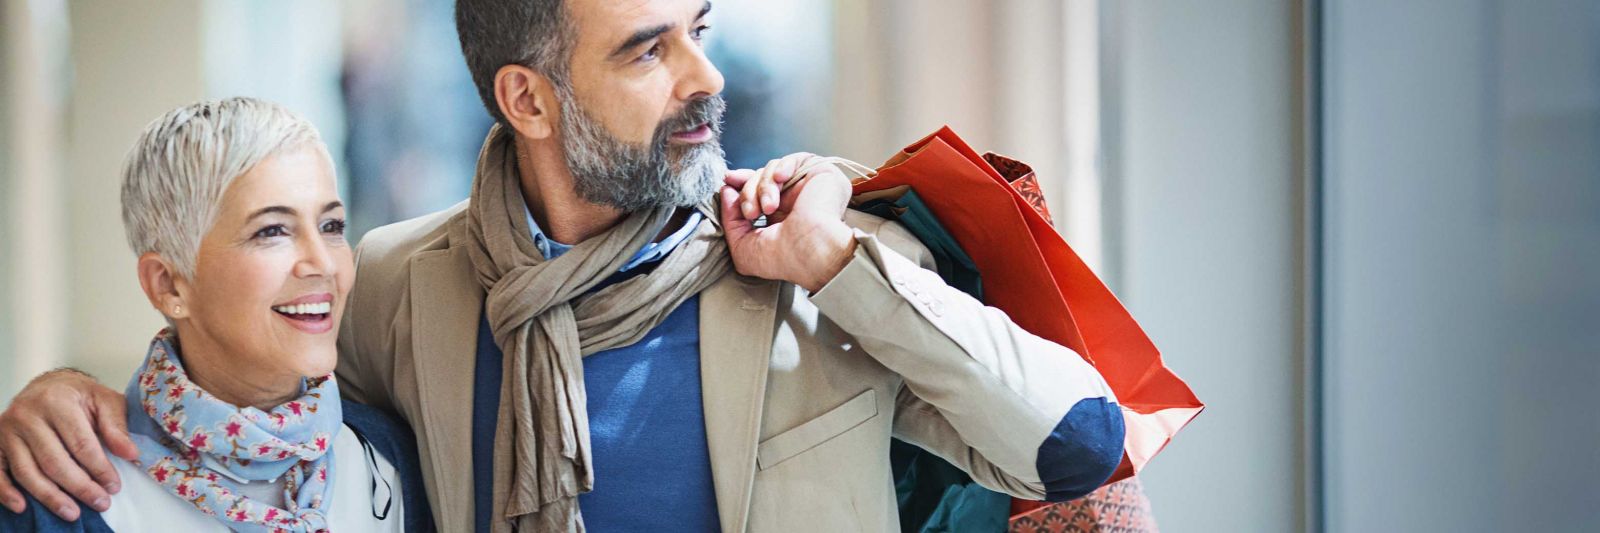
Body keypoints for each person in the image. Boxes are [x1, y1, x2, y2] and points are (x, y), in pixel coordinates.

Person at [0, 0, 1126, 531]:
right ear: (526, 98)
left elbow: (1080, 443)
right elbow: (250, 410)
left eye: (698, 27)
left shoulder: (812, 267)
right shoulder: (395, 284)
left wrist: (836, 259)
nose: (702, 76)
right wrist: (65, 402)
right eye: (647, 49)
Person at [0, 98, 429, 532]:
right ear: (168, 285)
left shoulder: (390, 457)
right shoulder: (53, 493)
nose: (322, 263)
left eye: (331, 226)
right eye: (272, 231)